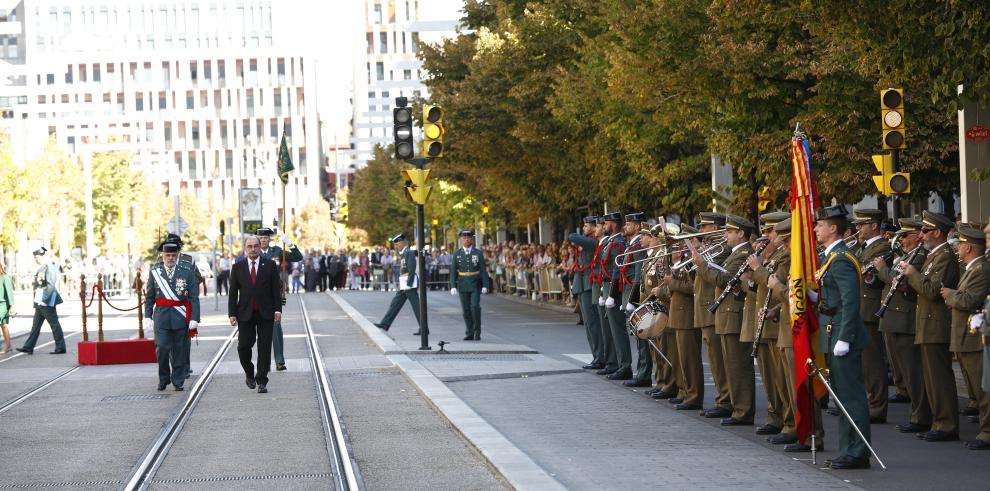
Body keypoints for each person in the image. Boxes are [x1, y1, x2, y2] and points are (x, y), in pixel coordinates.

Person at [812, 204, 871, 469]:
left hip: (841, 335)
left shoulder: (842, 259)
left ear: (833, 228)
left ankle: (857, 451)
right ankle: (849, 448)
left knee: (851, 396)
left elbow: (850, 303)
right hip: (832, 330)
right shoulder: (830, 257)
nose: (815, 229)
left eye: (820, 225)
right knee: (842, 397)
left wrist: (845, 337)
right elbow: (832, 299)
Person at [900, 210, 960, 442]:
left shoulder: (944, 255)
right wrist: (907, 285)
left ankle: (946, 423)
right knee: (931, 378)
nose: (921, 235)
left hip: (936, 325)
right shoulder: (933, 255)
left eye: (925, 231)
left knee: (939, 377)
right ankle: (938, 421)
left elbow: (933, 291)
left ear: (937, 232)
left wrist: (913, 274)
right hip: (927, 323)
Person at [695, 214, 756, 426]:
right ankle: (736, 407)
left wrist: (701, 265)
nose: (725, 235)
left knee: (738, 366)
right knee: (731, 365)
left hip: (734, 315)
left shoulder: (744, 253)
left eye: (729, 232)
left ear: (740, 234)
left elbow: (723, 278)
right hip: (726, 315)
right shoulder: (733, 253)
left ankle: (743, 410)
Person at [873, 217, 930, 434]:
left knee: (913, 371)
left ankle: (921, 416)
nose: (901, 239)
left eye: (905, 235)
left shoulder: (919, 255)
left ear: (916, 236)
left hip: (905, 319)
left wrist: (881, 269)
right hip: (893, 319)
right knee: (905, 371)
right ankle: (917, 413)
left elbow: (900, 281)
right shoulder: (904, 256)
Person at [941, 224, 990, 450]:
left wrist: (951, 296)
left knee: (983, 389)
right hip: (964, 337)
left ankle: (987, 431)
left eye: (961, 244)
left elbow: (971, 300)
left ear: (968, 247)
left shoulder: (981, 270)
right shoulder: (973, 268)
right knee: (974, 386)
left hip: (974, 338)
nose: (958, 247)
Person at [746, 211, 791, 436]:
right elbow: (756, 287)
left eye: (770, 231)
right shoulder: (771, 255)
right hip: (765, 319)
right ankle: (775, 416)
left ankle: (787, 420)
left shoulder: (786, 256)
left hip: (777, 322)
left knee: (782, 379)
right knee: (769, 376)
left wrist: (758, 268)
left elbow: (777, 284)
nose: (766, 236)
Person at [850, 208, 893, 424]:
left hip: (870, 310)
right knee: (862, 363)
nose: (857, 228)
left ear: (874, 226)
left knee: (873, 363)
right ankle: (867, 402)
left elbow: (876, 280)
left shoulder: (882, 246)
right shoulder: (862, 247)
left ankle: (877, 407)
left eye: (862, 224)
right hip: (859, 309)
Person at [228, 236, 282, 394]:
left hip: (266, 313)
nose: (253, 249)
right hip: (245, 313)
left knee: (264, 348)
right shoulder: (237, 268)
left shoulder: (270, 265)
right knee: (243, 346)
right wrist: (232, 313)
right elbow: (232, 293)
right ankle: (249, 373)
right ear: (245, 248)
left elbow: (275, 291)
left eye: (256, 246)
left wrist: (278, 310)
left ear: (260, 247)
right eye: (250, 246)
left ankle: (262, 380)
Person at [145, 241, 201, 391]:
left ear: (177, 256)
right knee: (162, 348)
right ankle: (163, 378)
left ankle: (178, 380)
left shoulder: (186, 271)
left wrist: (195, 318)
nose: (170, 258)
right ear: (162, 256)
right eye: (167, 255)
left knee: (179, 350)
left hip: (180, 317)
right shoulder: (155, 272)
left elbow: (194, 297)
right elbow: (149, 297)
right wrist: (147, 316)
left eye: (173, 255)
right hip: (161, 317)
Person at [254, 227, 302, 372]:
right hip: (257, 294)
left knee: (275, 326)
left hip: (274, 294)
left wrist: (289, 243)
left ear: (269, 239)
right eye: (260, 238)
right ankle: (264, 362)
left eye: (265, 238)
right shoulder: (252, 252)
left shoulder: (276, 252)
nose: (263, 240)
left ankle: (279, 360)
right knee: (260, 329)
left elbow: (297, 257)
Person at [568, 216, 606, 370]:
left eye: (586, 226)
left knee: (593, 324)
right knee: (589, 325)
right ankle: (596, 356)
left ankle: (600, 357)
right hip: (582, 285)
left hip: (589, 285)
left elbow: (572, 236)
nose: (583, 229)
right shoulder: (587, 241)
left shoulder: (592, 242)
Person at [620, 212, 652, 387]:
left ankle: (644, 374)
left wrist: (632, 300)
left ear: (638, 226)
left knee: (642, 339)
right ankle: (641, 372)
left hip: (636, 296)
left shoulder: (638, 247)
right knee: (638, 338)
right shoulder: (630, 245)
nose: (626, 226)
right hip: (630, 295)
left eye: (629, 223)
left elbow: (638, 276)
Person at [599, 212, 632, 380]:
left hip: (614, 290)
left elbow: (617, 270)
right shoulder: (611, 242)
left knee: (618, 330)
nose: (604, 225)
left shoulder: (618, 242)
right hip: (607, 287)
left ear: (614, 224)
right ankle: (616, 364)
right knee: (612, 330)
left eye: (607, 222)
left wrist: (611, 294)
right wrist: (602, 292)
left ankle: (625, 366)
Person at [17, 247, 67, 355]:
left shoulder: (49, 267)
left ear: (42, 256)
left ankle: (60, 347)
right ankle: (28, 346)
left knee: (54, 324)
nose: (35, 259)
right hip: (40, 301)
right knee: (35, 326)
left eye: (37, 257)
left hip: (46, 302)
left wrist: (44, 300)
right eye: (35, 257)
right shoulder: (43, 267)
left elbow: (50, 285)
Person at [374, 234, 422, 333]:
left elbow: (411, 268)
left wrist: (409, 283)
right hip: (404, 284)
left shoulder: (409, 252)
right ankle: (385, 323)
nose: (396, 247)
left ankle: (424, 328)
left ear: (402, 243)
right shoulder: (404, 253)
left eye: (397, 244)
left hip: (409, 284)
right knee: (395, 303)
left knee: (417, 307)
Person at [450, 228, 490, 341]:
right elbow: (453, 271)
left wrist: (485, 285)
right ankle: (469, 332)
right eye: (464, 238)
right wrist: (453, 285)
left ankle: (477, 331)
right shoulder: (457, 254)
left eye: (468, 238)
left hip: (474, 284)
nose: (466, 240)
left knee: (475, 307)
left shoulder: (477, 253)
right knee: (466, 310)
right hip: (462, 284)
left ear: (471, 239)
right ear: (461, 240)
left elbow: (483, 270)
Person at [0, 260, 14, 353]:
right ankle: (8, 345)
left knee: (3, 325)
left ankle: (7, 346)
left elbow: (9, 292)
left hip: (3, 304)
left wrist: (12, 306)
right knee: (3, 325)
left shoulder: (5, 277)